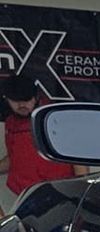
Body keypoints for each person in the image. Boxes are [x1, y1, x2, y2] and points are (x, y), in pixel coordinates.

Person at [1, 75, 76, 211]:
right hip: (25, 197)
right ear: (6, 99)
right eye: (16, 101)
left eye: (27, 100)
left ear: (36, 96)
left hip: (60, 196)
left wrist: (79, 191)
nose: (22, 105)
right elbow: (15, 158)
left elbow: (77, 157)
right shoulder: (10, 123)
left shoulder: (55, 117)